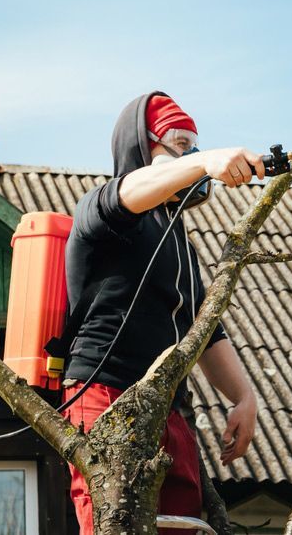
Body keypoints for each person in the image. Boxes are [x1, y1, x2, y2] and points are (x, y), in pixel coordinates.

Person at [62, 92, 261, 534]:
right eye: (178, 143)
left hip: (168, 407)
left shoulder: (182, 246)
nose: (189, 153)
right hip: (104, 393)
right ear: (140, 146)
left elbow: (205, 330)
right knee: (114, 519)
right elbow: (129, 193)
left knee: (181, 526)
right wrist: (204, 161)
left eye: (194, 144)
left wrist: (243, 398)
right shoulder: (102, 208)